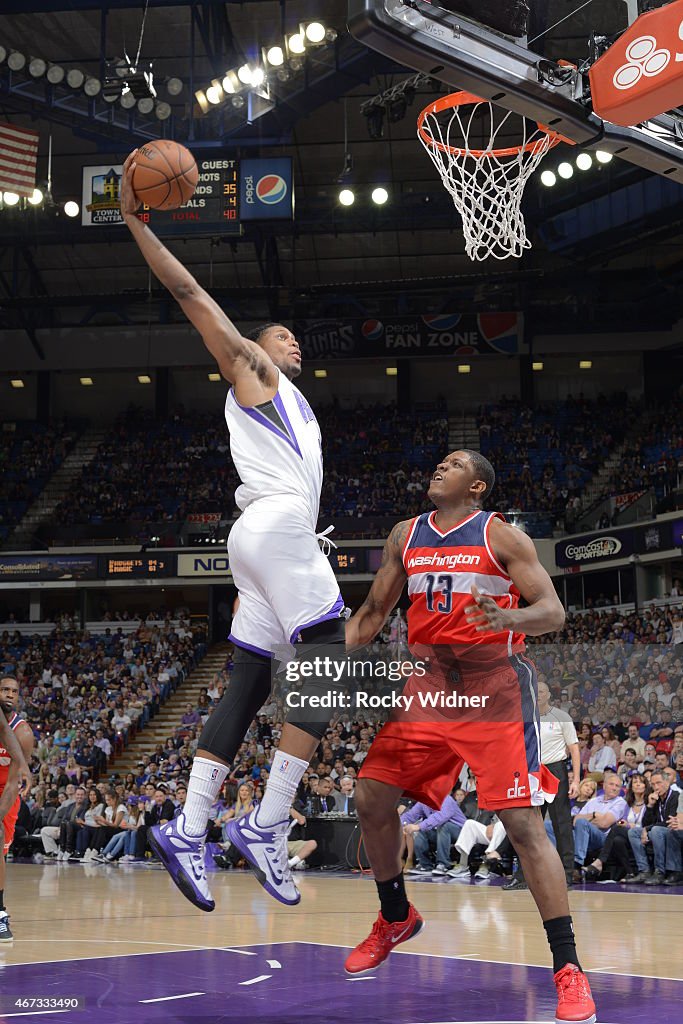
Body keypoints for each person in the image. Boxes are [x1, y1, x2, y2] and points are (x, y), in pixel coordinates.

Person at [120, 154, 345, 912]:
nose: (293, 343)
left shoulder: (296, 403)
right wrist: (134, 221)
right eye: (282, 334)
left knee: (250, 677)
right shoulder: (252, 371)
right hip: (277, 528)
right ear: (258, 345)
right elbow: (189, 294)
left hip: (265, 538)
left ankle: (188, 828)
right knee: (328, 667)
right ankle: (268, 822)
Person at [343, 450, 596, 1023]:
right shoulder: (404, 535)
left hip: (496, 687)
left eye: (454, 463)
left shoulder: (501, 536)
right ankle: (395, 915)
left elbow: (553, 613)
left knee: (523, 825)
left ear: (476, 486)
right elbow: (374, 610)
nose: (439, 466)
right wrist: (324, 654)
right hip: (430, 687)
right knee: (370, 796)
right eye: (439, 461)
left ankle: (568, 968)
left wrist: (509, 620)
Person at [504, 679, 580, 890]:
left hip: (555, 771)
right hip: (533, 772)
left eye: (542, 691)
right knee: (527, 825)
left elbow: (573, 749)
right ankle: (523, 876)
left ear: (548, 695)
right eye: (534, 691)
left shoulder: (562, 717)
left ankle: (567, 876)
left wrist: (576, 779)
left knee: (561, 824)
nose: (538, 694)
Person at [0, 676, 34, 943]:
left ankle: (0, 913)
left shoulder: (22, 732)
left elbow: (13, 785)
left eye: (13, 691)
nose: (9, 694)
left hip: (5, 795)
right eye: (4, 689)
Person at [583, 774, 650, 881]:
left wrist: (629, 825)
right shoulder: (627, 804)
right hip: (629, 833)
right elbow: (623, 820)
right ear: (631, 787)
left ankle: (599, 862)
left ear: (646, 786)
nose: (638, 784)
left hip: (643, 832)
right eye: (635, 782)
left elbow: (650, 821)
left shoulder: (649, 802)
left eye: (641, 782)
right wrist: (625, 823)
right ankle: (630, 873)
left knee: (616, 832)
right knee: (617, 839)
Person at [572, 772, 628, 873]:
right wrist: (594, 815)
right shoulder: (593, 801)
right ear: (604, 785)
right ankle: (555, 863)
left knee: (582, 823)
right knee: (549, 826)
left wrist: (587, 822)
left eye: (617, 786)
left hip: (601, 838)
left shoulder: (620, 802)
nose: (614, 788)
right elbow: (575, 821)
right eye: (611, 784)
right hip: (582, 832)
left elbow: (604, 824)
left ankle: (576, 865)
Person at [402, 791, 466, 875]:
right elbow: (410, 815)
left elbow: (440, 817)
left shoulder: (446, 799)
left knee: (443, 825)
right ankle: (425, 865)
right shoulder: (423, 802)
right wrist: (397, 825)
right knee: (422, 830)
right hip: (441, 832)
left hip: (461, 832)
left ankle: (443, 864)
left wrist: (418, 826)